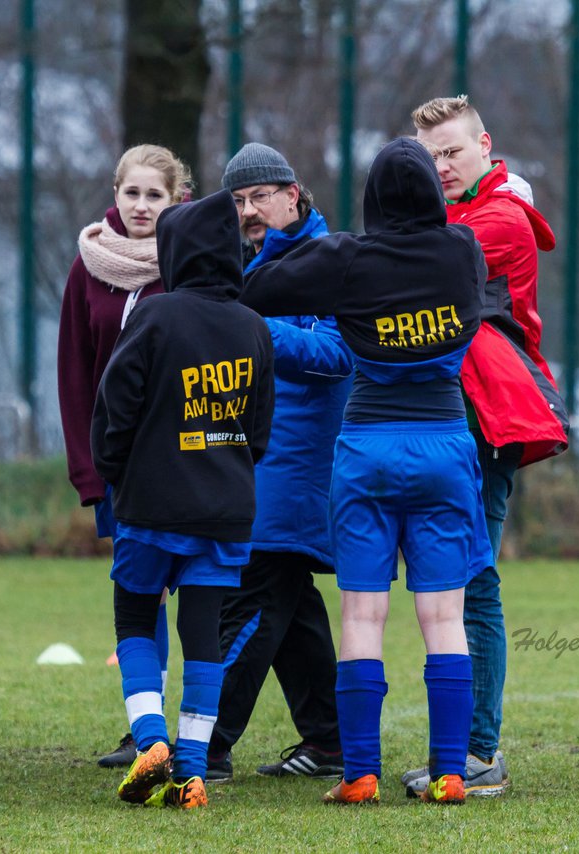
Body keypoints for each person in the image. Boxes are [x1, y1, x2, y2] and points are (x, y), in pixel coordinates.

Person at [241, 138, 491, 805]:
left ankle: (359, 774)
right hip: (443, 441)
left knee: (361, 616)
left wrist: (272, 242)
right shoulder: (462, 251)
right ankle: (449, 774)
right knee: (444, 619)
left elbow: (258, 289)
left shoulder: (348, 257)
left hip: (367, 446)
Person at [404, 95, 569, 798]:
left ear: (485, 147)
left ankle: (479, 754)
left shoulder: (499, 221)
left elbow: (414, 266)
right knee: (447, 580)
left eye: (452, 152)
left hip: (488, 419)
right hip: (449, 417)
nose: (440, 167)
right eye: (429, 156)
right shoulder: (459, 214)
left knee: (473, 581)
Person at [92, 190, 274, 810]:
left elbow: (116, 407)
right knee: (204, 636)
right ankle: (193, 770)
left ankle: (150, 739)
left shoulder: (155, 314)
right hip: (225, 511)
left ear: (175, 254)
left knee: (136, 616)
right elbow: (259, 432)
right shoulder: (252, 326)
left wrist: (115, 472)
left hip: (151, 505)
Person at [205, 143, 351, 782]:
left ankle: (204, 746)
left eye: (259, 196)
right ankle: (329, 742)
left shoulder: (330, 262)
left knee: (253, 598)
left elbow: (337, 356)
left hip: (301, 467)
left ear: (294, 192)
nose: (249, 210)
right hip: (260, 460)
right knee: (293, 612)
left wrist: (251, 327)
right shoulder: (259, 264)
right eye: (238, 201)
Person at [57, 144, 192, 769]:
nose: (142, 206)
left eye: (155, 195)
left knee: (195, 590)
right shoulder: (89, 266)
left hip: (186, 460)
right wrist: (88, 469)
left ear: (177, 200)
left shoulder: (190, 263)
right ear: (116, 194)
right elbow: (74, 373)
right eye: (132, 193)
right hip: (119, 466)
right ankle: (148, 728)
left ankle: (195, 732)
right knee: (142, 594)